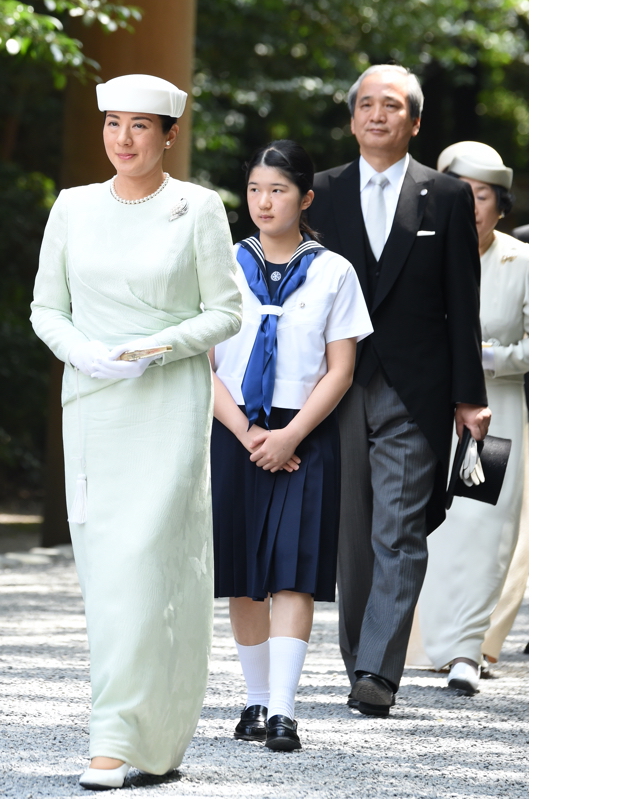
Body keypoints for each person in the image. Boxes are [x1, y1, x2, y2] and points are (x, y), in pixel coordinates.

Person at [30, 74, 242, 790]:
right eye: (113, 124)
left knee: (150, 570)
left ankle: (120, 742)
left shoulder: (199, 208)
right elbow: (44, 308)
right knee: (108, 577)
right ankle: (135, 743)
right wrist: (84, 353)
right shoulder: (72, 207)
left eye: (141, 127)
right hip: (92, 403)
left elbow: (226, 312)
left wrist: (157, 348)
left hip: (166, 403)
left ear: (170, 135)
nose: (124, 139)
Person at [307, 64, 491, 717]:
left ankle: (379, 672)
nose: (376, 114)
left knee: (399, 527)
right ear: (352, 117)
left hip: (416, 386)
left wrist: (469, 395)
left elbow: (460, 301)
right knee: (353, 532)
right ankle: (360, 655)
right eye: (366, 104)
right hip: (335, 382)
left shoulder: (444, 196)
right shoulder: (319, 193)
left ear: (413, 122)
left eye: (391, 106)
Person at [210, 140, 372, 751]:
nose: (263, 201)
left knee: (293, 571)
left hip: (305, 430)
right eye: (254, 189)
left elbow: (341, 369)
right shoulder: (223, 265)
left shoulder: (334, 271)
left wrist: (291, 435)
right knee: (244, 575)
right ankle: (252, 703)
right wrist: (248, 433)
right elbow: (205, 364)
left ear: (304, 198)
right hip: (235, 429)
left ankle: (283, 711)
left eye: (277, 190)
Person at [406, 141, 529, 694]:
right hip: (428, 409)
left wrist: (485, 358)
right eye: (462, 195)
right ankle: (424, 644)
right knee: (432, 523)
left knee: (482, 524)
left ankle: (467, 650)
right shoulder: (420, 251)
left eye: (481, 197)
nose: (471, 207)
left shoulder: (522, 263)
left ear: (499, 205)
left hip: (493, 412)